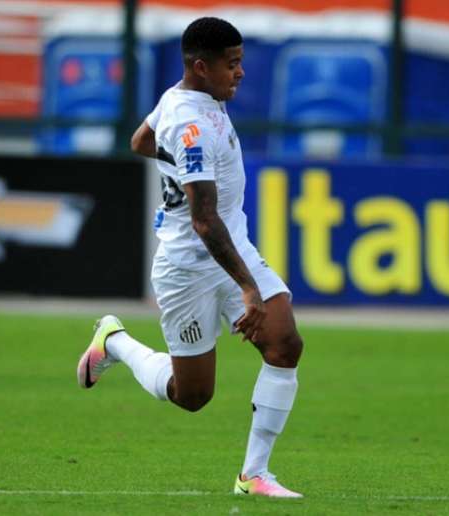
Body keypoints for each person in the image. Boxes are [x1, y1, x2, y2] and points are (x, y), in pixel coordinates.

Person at [76, 17, 304, 498]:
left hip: (231, 246)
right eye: (232, 64)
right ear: (201, 67)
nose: (240, 73)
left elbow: (139, 142)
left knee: (284, 344)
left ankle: (253, 475)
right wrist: (247, 288)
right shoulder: (192, 124)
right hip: (188, 268)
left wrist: (173, 161)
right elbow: (203, 221)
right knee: (192, 396)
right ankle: (114, 341)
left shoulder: (181, 99)